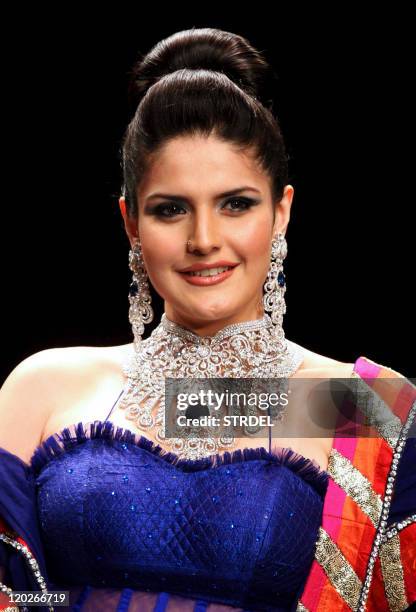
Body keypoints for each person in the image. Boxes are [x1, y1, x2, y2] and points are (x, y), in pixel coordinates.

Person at [0, 27, 415, 612]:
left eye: (236, 204)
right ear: (130, 223)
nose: (204, 240)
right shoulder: (42, 390)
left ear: (281, 213)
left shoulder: (355, 404)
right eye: (170, 210)